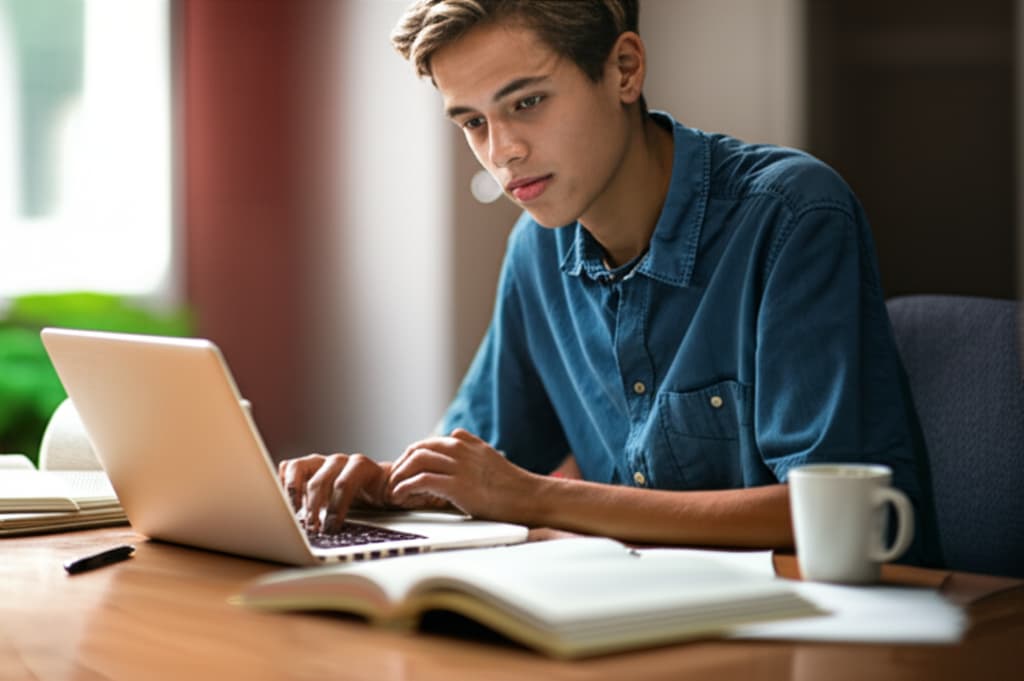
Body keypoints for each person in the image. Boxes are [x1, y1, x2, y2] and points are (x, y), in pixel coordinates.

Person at [279, 0, 941, 565]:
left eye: (527, 102)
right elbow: (483, 470)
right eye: (473, 122)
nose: (501, 150)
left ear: (624, 70)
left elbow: (832, 513)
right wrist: (388, 484)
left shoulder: (792, 213)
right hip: (645, 619)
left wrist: (536, 496)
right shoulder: (537, 252)